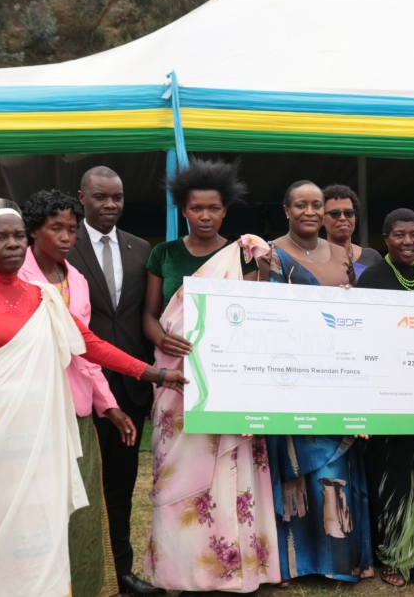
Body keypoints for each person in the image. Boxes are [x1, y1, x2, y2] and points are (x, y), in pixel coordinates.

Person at [0, 199, 184, 597]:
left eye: (16, 235)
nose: (11, 244)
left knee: (41, 529)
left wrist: (157, 374)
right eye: (0, 237)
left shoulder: (41, 296)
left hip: (41, 435)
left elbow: (89, 344)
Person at [141, 159, 280, 592]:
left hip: (228, 378)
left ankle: (231, 569)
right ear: (183, 209)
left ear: (225, 210)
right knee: (175, 472)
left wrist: (265, 266)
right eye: (196, 208)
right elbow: (147, 315)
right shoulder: (163, 254)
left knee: (229, 468)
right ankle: (181, 570)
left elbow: (259, 310)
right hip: (175, 383)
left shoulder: (243, 253)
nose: (205, 216)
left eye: (213, 209)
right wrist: (162, 340)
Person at [18, 189, 134, 597]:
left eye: (71, 229)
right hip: (33, 409)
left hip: (79, 410)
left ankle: (81, 586)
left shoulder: (77, 280)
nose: (67, 237)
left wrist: (110, 406)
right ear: (33, 231)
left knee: (82, 508)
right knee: (38, 508)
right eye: (56, 228)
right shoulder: (17, 279)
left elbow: (85, 351)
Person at [263, 180, 373, 584]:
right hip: (290, 375)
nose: (309, 211)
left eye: (316, 205)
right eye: (301, 205)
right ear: (287, 210)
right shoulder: (269, 253)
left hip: (338, 375)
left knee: (337, 464)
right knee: (295, 467)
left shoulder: (342, 253)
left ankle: (338, 562)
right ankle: (295, 563)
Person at [65, 166, 160, 597]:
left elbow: (142, 316)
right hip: (80, 387)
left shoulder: (141, 248)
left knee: (122, 486)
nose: (110, 205)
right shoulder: (63, 245)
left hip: (132, 388)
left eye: (117, 198)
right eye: (100, 197)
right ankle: (78, 574)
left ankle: (122, 572)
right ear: (81, 197)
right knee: (80, 486)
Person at [356, 209, 414, 587]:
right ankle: (394, 554)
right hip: (388, 398)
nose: (408, 242)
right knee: (392, 476)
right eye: (399, 235)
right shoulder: (372, 279)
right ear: (385, 238)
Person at [322, 184, 381, 279]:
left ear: (355, 217)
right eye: (334, 213)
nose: (342, 218)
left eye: (348, 213)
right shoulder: (312, 259)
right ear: (322, 219)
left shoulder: (372, 257)